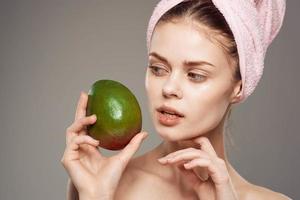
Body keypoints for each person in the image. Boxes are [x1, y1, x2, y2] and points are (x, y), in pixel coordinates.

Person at [61, 0, 291, 199]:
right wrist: (95, 196)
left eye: (195, 75)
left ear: (238, 87)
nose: (169, 88)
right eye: (158, 69)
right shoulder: (105, 183)